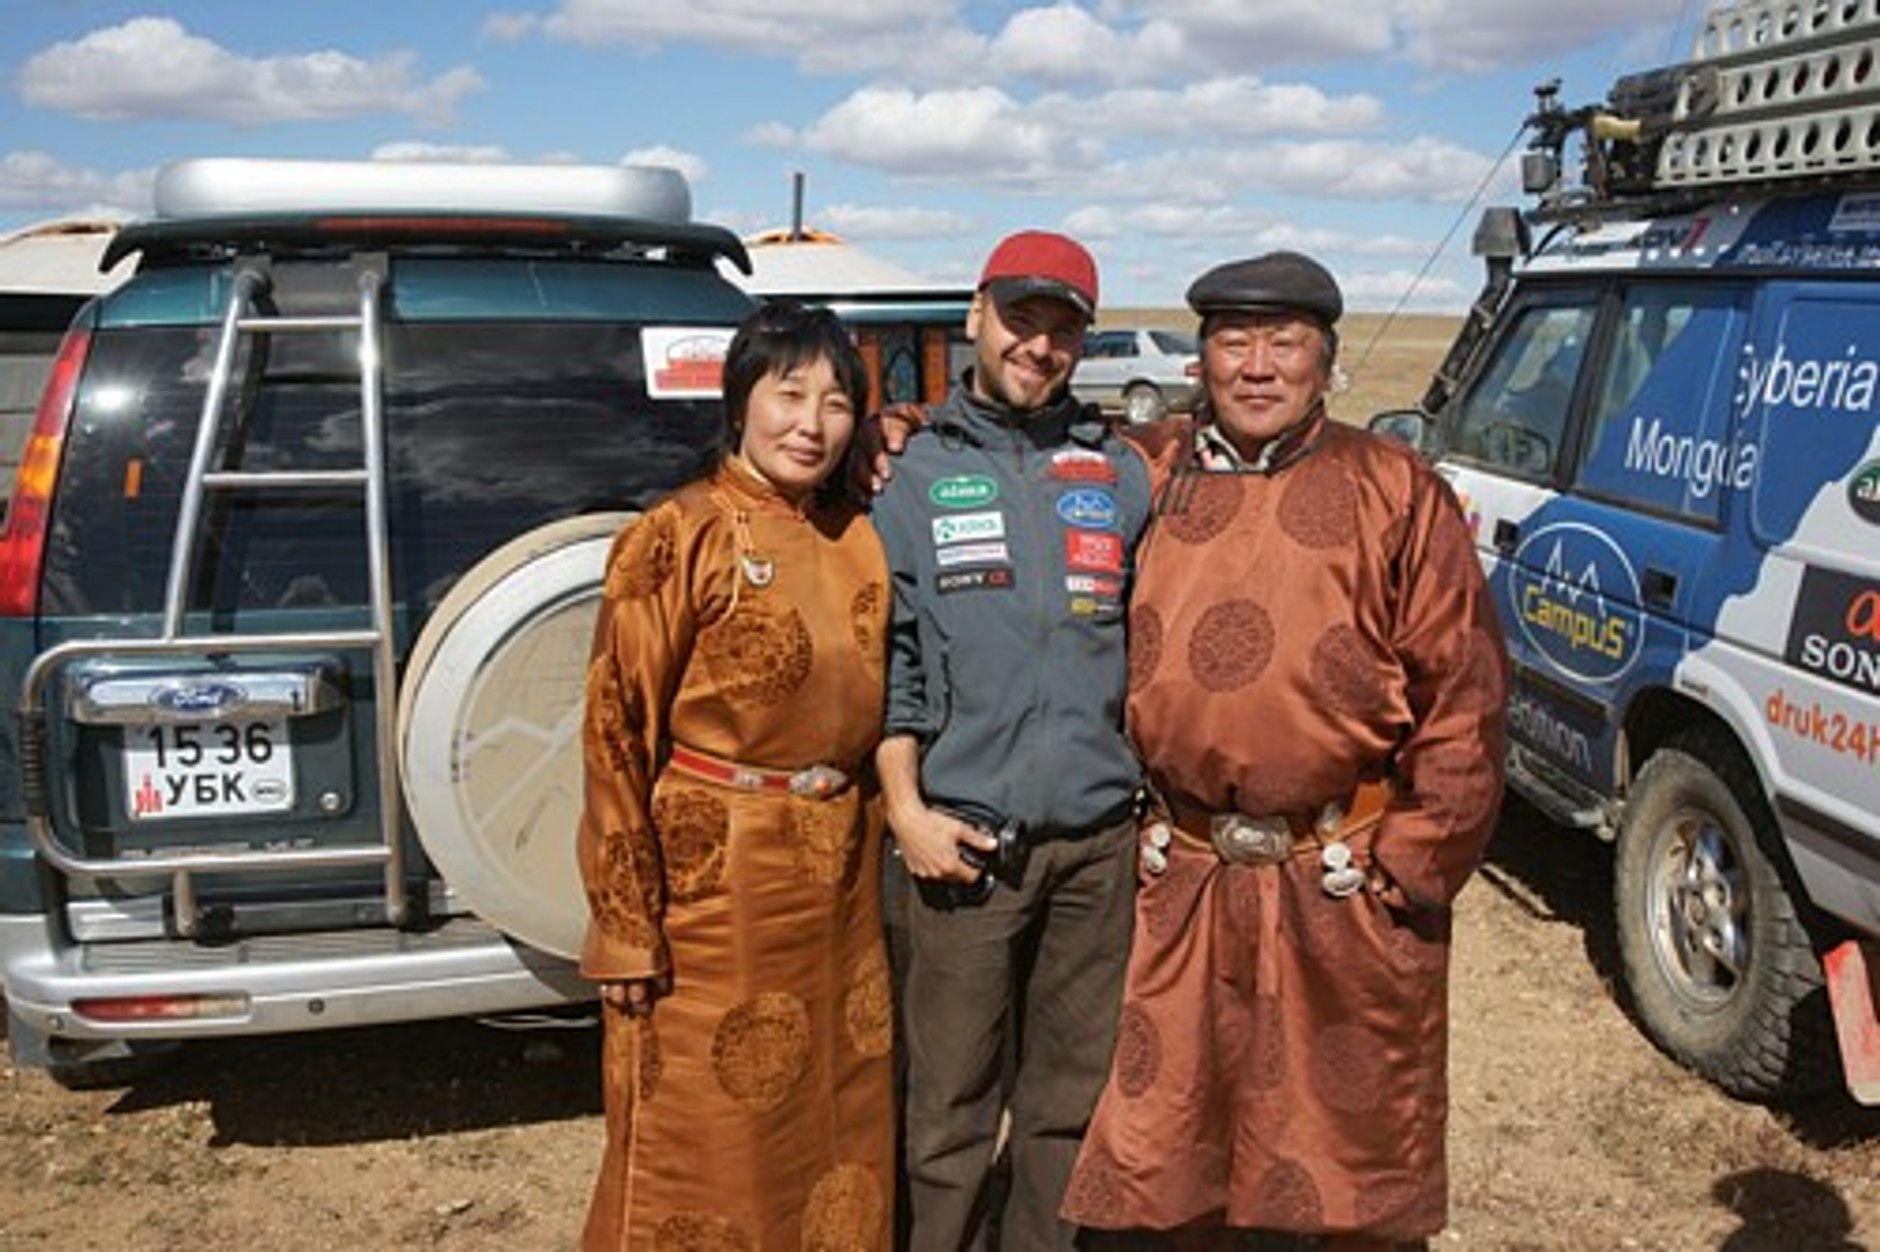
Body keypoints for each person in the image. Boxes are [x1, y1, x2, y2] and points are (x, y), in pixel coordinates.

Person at [1060, 252, 1509, 1251]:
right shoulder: (1144, 472)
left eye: (1284, 342)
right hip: (1180, 877)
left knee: (1338, 1160)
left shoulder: (1394, 489)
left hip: (1338, 878)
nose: (1257, 366)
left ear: (1326, 361)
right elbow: (1016, 458)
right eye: (1232, 340)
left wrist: (1413, 863)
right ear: (1199, 359)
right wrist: (894, 432)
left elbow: (1464, 693)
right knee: (1172, 1146)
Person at [576, 300, 894, 1250]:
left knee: (838, 1122)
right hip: (715, 892)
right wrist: (625, 929)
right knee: (710, 1133)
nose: (811, 423)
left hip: (840, 885)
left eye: (837, 403)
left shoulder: (857, 530)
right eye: (787, 394)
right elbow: (613, 729)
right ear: (740, 399)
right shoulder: (679, 532)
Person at [872, 230, 1152, 1252]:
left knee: (1065, 1103)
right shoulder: (902, 474)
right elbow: (890, 662)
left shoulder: (1121, 474)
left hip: (1094, 847)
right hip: (961, 850)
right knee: (945, 1106)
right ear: (974, 317)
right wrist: (906, 812)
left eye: (1062, 325)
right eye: (1020, 317)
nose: (1038, 344)